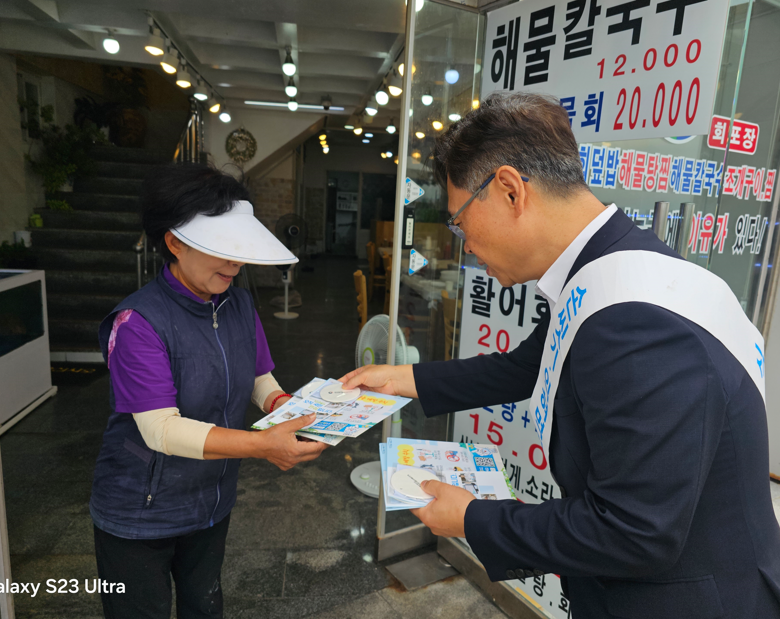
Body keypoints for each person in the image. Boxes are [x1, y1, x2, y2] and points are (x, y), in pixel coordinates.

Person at [341, 92, 780, 618]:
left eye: (460, 221)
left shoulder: (634, 321)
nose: (465, 244)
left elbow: (634, 532)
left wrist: (473, 519)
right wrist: (403, 379)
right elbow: (530, 364)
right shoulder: (608, 267)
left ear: (508, 190)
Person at [90, 163, 327, 619]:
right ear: (174, 243)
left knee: (204, 607)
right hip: (140, 511)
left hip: (210, 501)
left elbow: (258, 377)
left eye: (239, 249)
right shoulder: (137, 323)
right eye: (221, 250)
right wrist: (261, 445)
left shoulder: (238, 302)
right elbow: (161, 430)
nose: (235, 263)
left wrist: (281, 405)